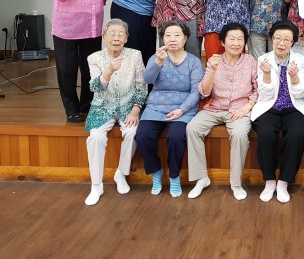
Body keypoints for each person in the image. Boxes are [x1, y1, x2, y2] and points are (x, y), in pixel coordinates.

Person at [187, 23, 258, 201]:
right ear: (223, 42)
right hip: (215, 107)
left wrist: (247, 107)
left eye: (240, 39)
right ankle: (201, 178)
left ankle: (236, 183)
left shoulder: (250, 61)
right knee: (192, 128)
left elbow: (259, 89)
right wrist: (212, 71)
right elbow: (204, 92)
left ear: (245, 42)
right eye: (231, 39)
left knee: (240, 134)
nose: (236, 43)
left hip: (239, 109)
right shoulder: (214, 60)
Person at [135, 21, 204, 197]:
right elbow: (147, 80)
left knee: (176, 136)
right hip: (156, 106)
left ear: (185, 39)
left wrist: (182, 110)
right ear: (163, 39)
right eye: (168, 35)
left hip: (183, 108)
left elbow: (196, 91)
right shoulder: (156, 57)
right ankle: (156, 171)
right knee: (142, 135)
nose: (172, 39)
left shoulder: (194, 62)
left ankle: (174, 176)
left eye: (177, 35)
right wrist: (157, 63)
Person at [84, 19, 147, 206]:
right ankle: (96, 185)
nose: (116, 38)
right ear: (104, 37)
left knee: (133, 132)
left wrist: (136, 110)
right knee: (96, 138)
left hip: (128, 105)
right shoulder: (94, 58)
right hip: (103, 107)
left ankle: (121, 173)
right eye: (112, 34)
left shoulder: (135, 55)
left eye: (121, 34)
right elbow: (95, 87)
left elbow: (141, 86)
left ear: (126, 38)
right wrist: (108, 71)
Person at [50, 0, 107, 123]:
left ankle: (87, 106)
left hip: (92, 26)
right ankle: (71, 109)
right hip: (66, 28)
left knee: (91, 70)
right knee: (67, 71)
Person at [251, 20, 304, 203]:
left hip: (294, 107)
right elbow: (265, 93)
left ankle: (284, 181)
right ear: (272, 39)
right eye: (277, 38)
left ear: (293, 42)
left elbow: (301, 93)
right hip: (269, 106)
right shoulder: (263, 59)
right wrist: (267, 74)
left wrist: (294, 77)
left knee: (296, 134)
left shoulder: (300, 60)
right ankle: (269, 180)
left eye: (286, 39)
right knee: (265, 133)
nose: (281, 43)